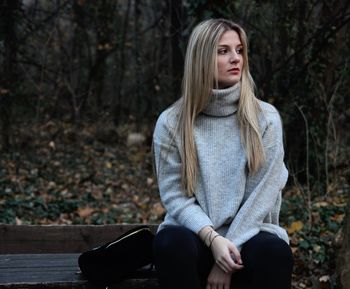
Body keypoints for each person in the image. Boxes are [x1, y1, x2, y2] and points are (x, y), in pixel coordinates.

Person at [152, 18, 293, 289]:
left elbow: (262, 195)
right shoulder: (172, 122)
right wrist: (214, 240)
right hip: (196, 236)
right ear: (202, 58)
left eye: (239, 50)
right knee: (171, 244)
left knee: (274, 253)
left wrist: (226, 256)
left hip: (251, 236)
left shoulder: (265, 118)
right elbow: (175, 196)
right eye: (223, 51)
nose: (235, 58)